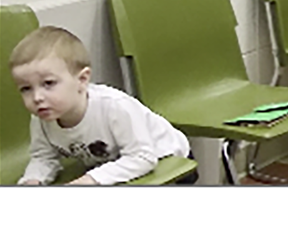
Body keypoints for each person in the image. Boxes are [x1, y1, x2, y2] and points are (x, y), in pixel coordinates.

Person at [10, 26, 193, 185]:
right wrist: (33, 180)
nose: (37, 97)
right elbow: (44, 157)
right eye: (26, 89)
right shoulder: (42, 116)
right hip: (116, 164)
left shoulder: (114, 107)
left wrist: (91, 179)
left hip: (166, 159)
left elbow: (143, 157)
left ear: (82, 80)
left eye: (48, 83)